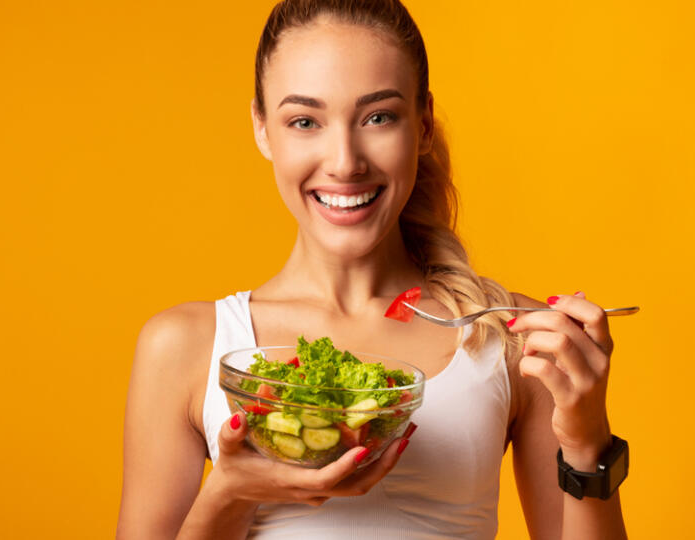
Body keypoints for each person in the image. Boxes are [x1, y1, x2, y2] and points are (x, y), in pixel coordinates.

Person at [117, 1, 628, 538]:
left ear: (424, 124)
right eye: (305, 121)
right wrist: (232, 492)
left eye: (377, 116)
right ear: (263, 129)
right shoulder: (184, 346)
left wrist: (587, 439)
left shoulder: (512, 339)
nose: (344, 161)